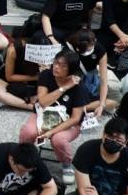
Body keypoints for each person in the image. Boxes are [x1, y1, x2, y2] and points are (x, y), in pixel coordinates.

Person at [20, 50, 91, 184]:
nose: (56, 67)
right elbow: (43, 101)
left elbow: (75, 118)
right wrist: (63, 88)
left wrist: (52, 132)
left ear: (71, 69)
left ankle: (66, 164)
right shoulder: (46, 75)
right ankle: (23, 157)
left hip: (67, 121)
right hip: (43, 113)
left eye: (63, 66)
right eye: (56, 63)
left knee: (58, 140)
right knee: (27, 131)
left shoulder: (79, 87)